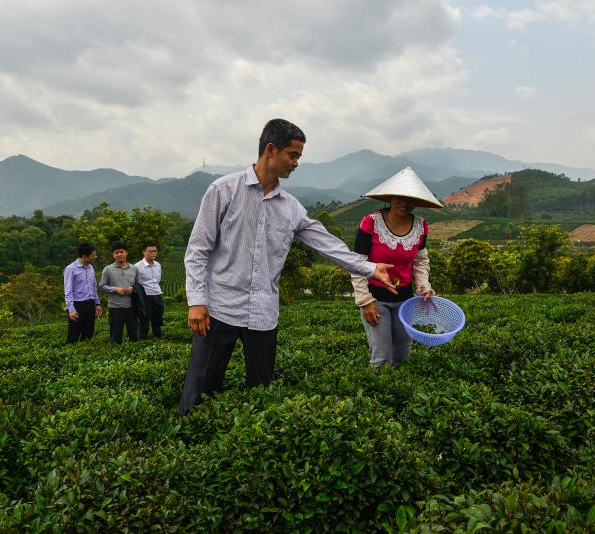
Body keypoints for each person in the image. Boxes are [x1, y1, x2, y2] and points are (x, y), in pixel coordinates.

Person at [178, 118, 398, 416]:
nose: (296, 163)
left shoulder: (291, 207)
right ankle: (192, 445)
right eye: (292, 155)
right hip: (219, 308)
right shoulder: (224, 191)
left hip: (263, 314)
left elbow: (325, 243)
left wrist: (369, 268)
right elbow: (198, 250)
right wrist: (197, 301)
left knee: (261, 393)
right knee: (201, 388)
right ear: (271, 150)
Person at [351, 166, 442, 368]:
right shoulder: (371, 223)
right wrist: (365, 301)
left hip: (405, 300)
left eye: (410, 199)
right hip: (376, 298)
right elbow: (357, 263)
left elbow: (420, 261)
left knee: (402, 356)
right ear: (390, 198)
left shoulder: (421, 226)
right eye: (399, 198)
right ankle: (379, 397)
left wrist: (424, 287)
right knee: (381, 359)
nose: (404, 203)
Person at [98, 241, 140, 344]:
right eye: (116, 252)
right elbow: (101, 286)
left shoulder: (134, 268)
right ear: (113, 255)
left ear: (126, 253)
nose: (119, 254)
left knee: (134, 337)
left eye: (121, 252)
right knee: (115, 339)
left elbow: (139, 285)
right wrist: (115, 289)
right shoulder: (108, 269)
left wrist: (132, 288)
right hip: (115, 307)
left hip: (131, 307)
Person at [63, 243, 102, 343]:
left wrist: (97, 303)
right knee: (73, 335)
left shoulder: (91, 268)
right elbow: (68, 291)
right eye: (93, 255)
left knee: (88, 333)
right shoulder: (70, 269)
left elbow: (94, 287)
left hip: (90, 304)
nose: (95, 257)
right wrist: (71, 309)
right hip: (77, 305)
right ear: (85, 256)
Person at [135, 241, 164, 339]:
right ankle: (142, 342)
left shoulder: (158, 265)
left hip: (158, 296)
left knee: (158, 321)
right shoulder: (137, 267)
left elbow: (157, 280)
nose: (153, 253)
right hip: (145, 297)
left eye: (155, 251)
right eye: (150, 251)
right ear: (144, 252)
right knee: (144, 322)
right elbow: (137, 284)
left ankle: (158, 339)